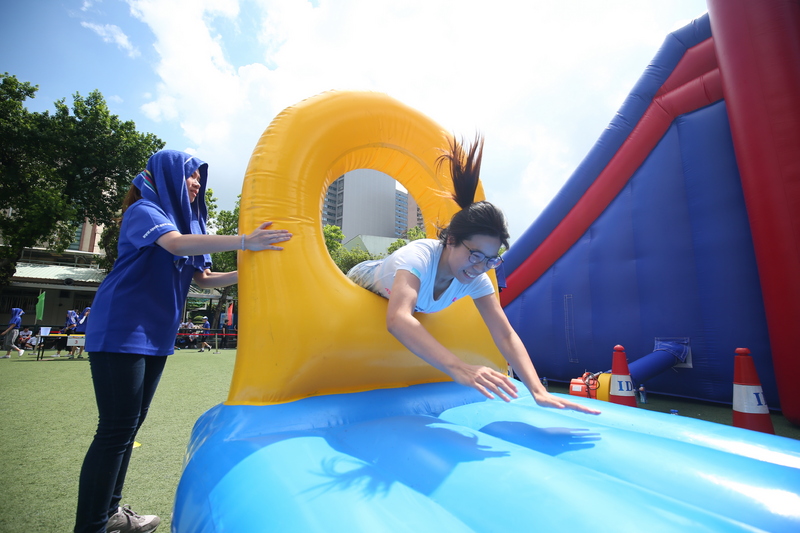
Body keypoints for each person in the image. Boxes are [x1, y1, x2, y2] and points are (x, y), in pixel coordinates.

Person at [74, 149, 292, 533]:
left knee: (128, 427)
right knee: (116, 429)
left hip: (155, 333)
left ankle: (110, 515)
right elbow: (176, 245)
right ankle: (92, 525)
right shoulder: (145, 211)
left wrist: (253, 268)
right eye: (191, 175)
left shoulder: (185, 224)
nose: (196, 184)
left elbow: (203, 280)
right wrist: (245, 241)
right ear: (167, 176)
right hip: (121, 327)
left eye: (199, 179)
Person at [347, 136, 600, 415]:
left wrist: (538, 391)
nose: (480, 266)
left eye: (490, 259)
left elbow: (504, 334)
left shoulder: (476, 277)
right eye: (475, 254)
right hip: (363, 280)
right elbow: (397, 319)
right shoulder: (419, 258)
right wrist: (459, 367)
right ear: (451, 240)